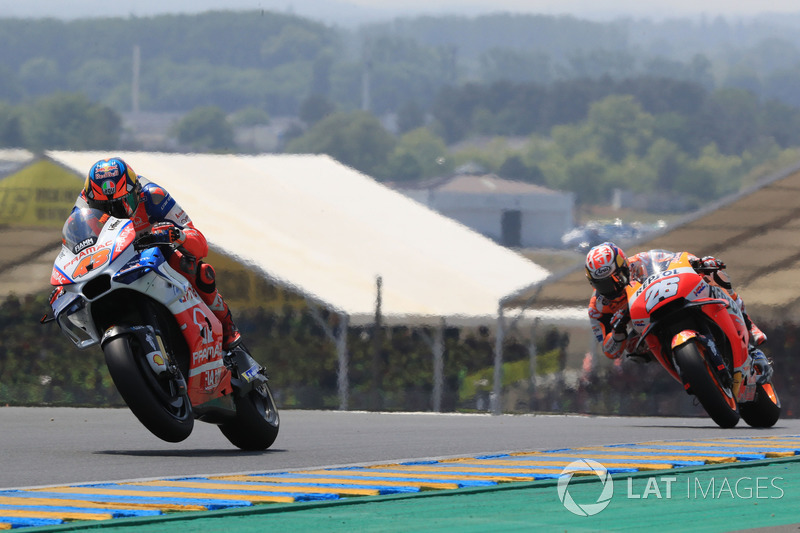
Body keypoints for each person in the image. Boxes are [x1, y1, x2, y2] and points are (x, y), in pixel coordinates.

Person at [73, 157, 242, 351]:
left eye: (121, 205)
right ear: (91, 202)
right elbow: (75, 248)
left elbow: (200, 245)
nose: (115, 214)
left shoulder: (154, 196)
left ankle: (226, 325)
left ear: (136, 192)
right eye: (104, 209)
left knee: (194, 268)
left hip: (155, 252)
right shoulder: (82, 209)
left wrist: (178, 236)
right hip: (112, 264)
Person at [584, 242, 772, 382]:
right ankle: (684, 365)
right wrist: (617, 332)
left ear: (624, 266)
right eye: (604, 284)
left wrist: (697, 262)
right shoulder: (597, 309)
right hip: (644, 326)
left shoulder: (640, 262)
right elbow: (610, 351)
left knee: (713, 275)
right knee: (632, 350)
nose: (612, 287)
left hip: (671, 298)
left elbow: (675, 258)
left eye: (616, 278)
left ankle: (749, 326)